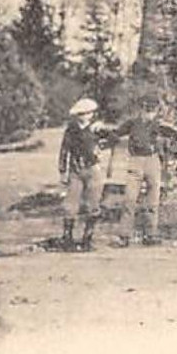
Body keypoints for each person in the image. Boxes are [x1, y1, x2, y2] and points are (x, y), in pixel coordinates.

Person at [102, 93, 177, 247]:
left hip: (152, 161)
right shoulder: (131, 123)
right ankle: (124, 236)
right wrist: (104, 142)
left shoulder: (159, 125)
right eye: (147, 109)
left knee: (153, 200)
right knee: (129, 199)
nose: (149, 113)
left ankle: (150, 235)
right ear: (141, 109)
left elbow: (176, 133)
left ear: (157, 111)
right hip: (135, 161)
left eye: (153, 110)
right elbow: (115, 134)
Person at [58, 97, 109, 251]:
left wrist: (100, 147)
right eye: (81, 114)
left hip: (93, 169)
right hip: (75, 170)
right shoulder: (71, 130)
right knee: (70, 205)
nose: (85, 116)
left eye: (88, 113)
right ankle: (67, 238)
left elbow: (114, 139)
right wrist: (63, 171)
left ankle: (88, 238)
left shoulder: (97, 128)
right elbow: (64, 150)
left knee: (93, 204)